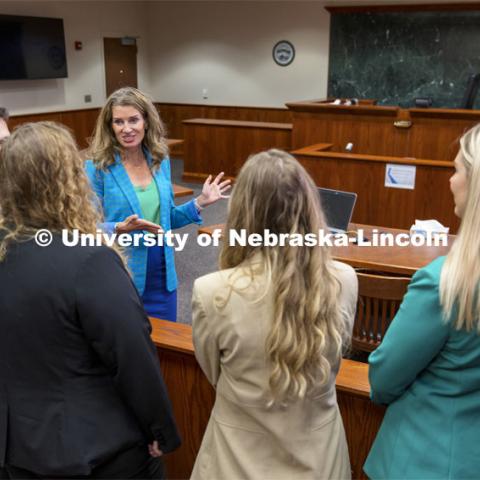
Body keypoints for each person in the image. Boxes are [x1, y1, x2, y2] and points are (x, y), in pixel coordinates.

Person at [0, 122, 180, 479]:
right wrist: (162, 430)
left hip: (15, 449)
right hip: (93, 451)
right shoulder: (88, 259)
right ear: (68, 180)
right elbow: (131, 354)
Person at [191, 149, 358, 479]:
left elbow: (215, 374)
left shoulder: (211, 292)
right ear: (310, 209)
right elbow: (335, 362)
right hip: (319, 457)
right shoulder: (344, 280)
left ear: (241, 212)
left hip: (236, 459)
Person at [364, 124, 480, 479]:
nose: (450, 179)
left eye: (457, 168)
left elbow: (384, 379)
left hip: (425, 456)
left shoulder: (445, 281)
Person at [85, 87, 229, 322]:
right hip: (121, 273)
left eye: (133, 120)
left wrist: (200, 202)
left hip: (162, 274)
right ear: (110, 126)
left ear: (146, 122)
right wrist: (118, 228)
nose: (127, 129)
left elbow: (165, 220)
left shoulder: (159, 159)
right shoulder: (97, 167)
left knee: (165, 349)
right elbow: (85, 228)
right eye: (118, 122)